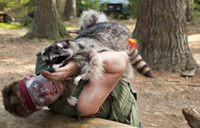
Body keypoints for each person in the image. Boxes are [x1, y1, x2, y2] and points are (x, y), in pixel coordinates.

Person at [2, 50, 143, 128]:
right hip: (121, 111)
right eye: (41, 100)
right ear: (42, 108)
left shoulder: (47, 58)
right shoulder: (83, 104)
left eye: (36, 87)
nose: (45, 91)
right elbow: (120, 58)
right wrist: (77, 65)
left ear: (31, 76)